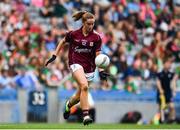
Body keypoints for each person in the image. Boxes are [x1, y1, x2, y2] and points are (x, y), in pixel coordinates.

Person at [45, 11, 109, 125]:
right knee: (84, 86)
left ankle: (68, 105)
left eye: (93, 24)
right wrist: (54, 55)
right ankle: (86, 116)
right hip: (75, 63)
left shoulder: (96, 38)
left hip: (90, 67)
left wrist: (101, 70)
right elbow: (62, 41)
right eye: (89, 24)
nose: (91, 26)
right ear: (83, 23)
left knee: (80, 95)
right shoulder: (73, 34)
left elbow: (98, 55)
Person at [156, 57, 178, 123]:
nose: (169, 65)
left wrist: (174, 90)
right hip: (162, 93)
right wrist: (160, 89)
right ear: (164, 64)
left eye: (170, 64)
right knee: (162, 107)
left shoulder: (171, 74)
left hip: (168, 92)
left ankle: (172, 119)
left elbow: (173, 82)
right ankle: (162, 120)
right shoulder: (160, 73)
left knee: (172, 106)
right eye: (167, 63)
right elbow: (158, 82)